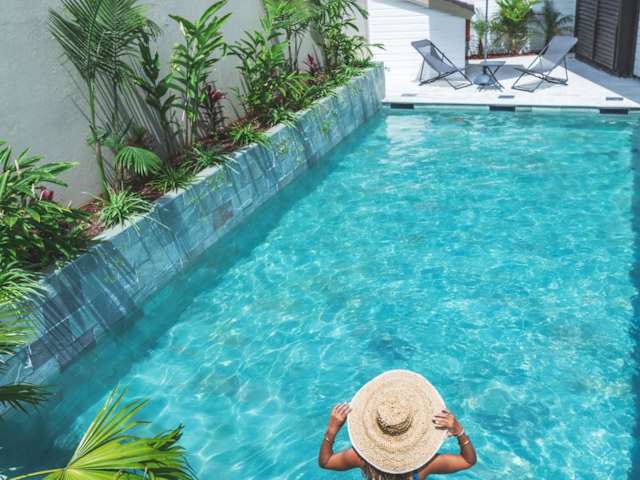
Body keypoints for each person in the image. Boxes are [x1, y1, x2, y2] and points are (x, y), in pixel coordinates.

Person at [318, 370, 477, 480]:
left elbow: (325, 461)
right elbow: (468, 460)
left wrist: (332, 429)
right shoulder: (423, 468)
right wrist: (459, 431)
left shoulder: (361, 459)